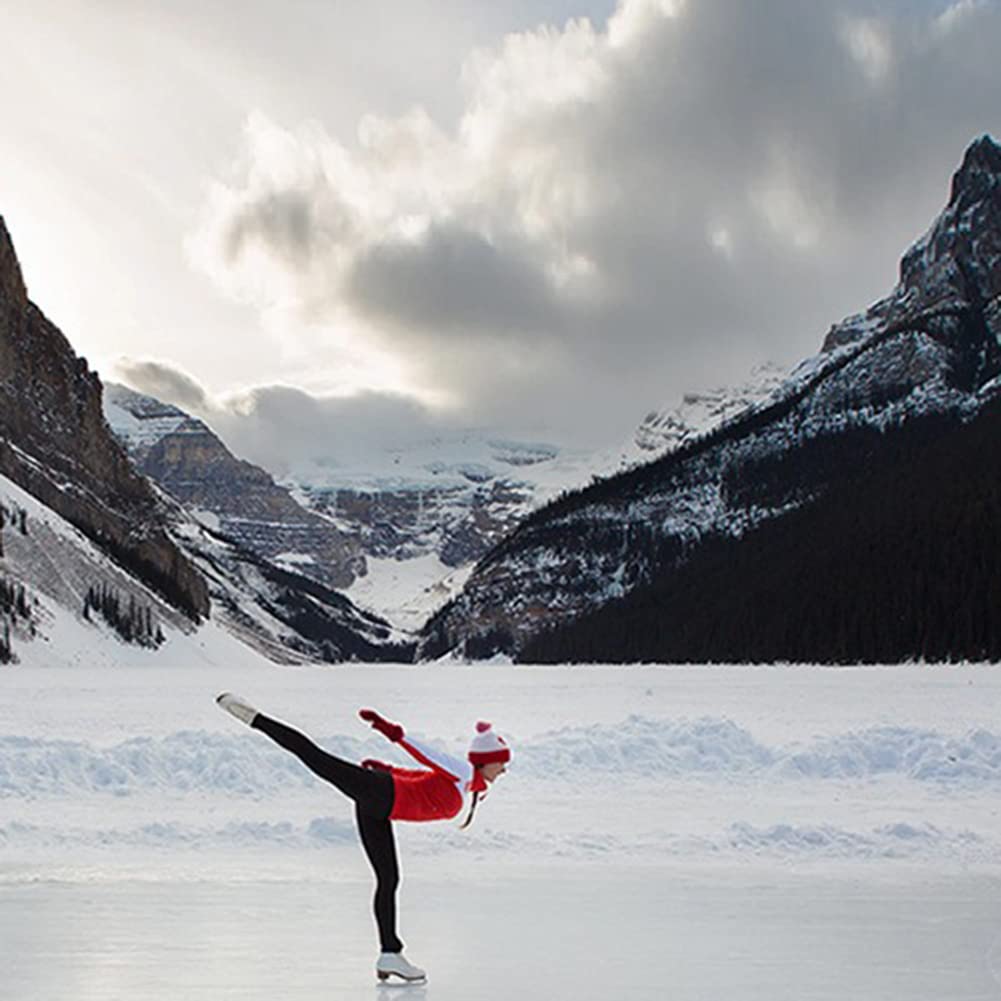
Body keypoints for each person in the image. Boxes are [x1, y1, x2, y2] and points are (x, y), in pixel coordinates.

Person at [215, 692, 511, 984]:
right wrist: (390, 732)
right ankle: (253, 717)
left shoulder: (468, 785)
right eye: (501, 762)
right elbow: (426, 754)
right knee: (315, 757)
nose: (505, 769)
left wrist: (388, 768)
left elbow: (420, 777)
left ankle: (390, 954)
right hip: (379, 794)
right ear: (486, 761)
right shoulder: (462, 771)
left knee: (389, 879)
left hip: (379, 810)